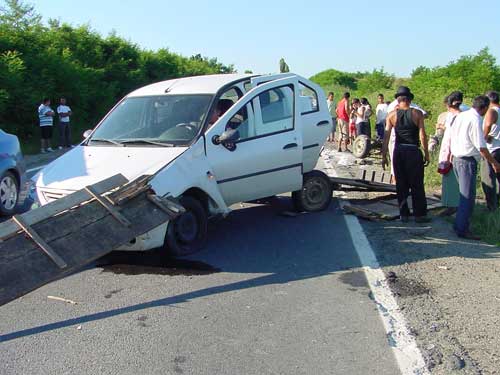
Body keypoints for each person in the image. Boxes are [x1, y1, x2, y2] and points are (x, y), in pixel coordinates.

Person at [450, 95, 500, 239]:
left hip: (457, 158)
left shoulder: (461, 116)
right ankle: (462, 229)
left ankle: (458, 224)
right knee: (468, 197)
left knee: (463, 195)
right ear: (484, 108)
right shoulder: (475, 119)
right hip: (466, 160)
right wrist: (494, 162)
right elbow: (481, 146)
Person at [382, 86, 430, 223]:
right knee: (417, 184)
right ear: (409, 100)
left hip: (399, 151)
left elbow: (386, 137)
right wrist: (426, 153)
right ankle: (420, 215)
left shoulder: (391, 115)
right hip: (413, 151)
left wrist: (383, 155)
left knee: (401, 184)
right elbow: (422, 136)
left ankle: (404, 214)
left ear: (398, 100)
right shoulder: (417, 114)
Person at [438, 91, 463, 212]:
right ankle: (448, 203)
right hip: (447, 150)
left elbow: (454, 138)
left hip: (452, 152)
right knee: (448, 179)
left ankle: (453, 206)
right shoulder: (452, 116)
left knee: (452, 180)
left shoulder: (459, 117)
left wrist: (449, 156)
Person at [481, 91, 500, 211]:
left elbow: (487, 124)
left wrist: (483, 137)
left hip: (492, 148)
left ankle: (491, 206)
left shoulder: (492, 110)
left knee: (488, 177)